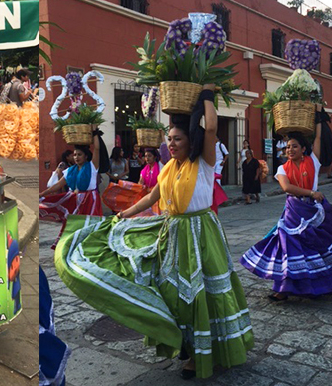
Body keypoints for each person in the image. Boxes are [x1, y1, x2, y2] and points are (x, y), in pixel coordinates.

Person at [54, 85, 253, 380]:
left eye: (177, 139)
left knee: (203, 292)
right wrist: (123, 214)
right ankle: (186, 345)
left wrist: (207, 96)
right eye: (169, 139)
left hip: (201, 234)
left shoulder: (204, 163)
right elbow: (151, 198)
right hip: (172, 233)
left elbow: (210, 128)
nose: (171, 144)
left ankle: (204, 353)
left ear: (190, 140)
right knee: (174, 292)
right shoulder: (168, 168)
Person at [241, 108, 332, 301]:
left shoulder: (312, 161)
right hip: (294, 211)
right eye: (287, 147)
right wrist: (312, 192)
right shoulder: (281, 168)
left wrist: (319, 118)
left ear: (303, 148)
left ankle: (324, 284)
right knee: (290, 249)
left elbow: (318, 140)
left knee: (318, 248)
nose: (289, 150)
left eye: (294, 146)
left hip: (314, 211)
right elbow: (287, 187)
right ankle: (283, 288)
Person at [40, 130, 103, 247]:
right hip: (74, 199)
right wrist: (42, 194)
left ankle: (90, 246)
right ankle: (73, 246)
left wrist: (94, 132)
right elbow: (58, 185)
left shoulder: (92, 166)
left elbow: (97, 149)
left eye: (79, 155)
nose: (76, 157)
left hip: (90, 200)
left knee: (89, 224)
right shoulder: (70, 171)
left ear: (86, 156)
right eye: (74, 155)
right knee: (72, 224)